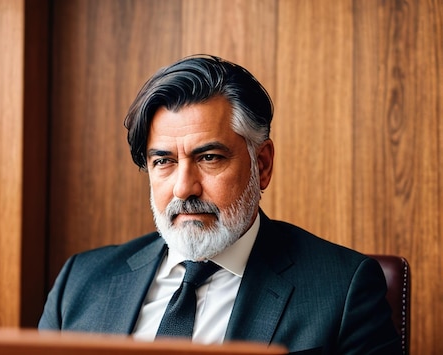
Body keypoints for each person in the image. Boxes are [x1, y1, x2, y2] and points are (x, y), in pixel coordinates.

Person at [38, 55, 401, 354]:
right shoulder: (81, 281)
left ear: (262, 164)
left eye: (209, 157)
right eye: (163, 162)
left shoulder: (343, 291)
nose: (184, 188)